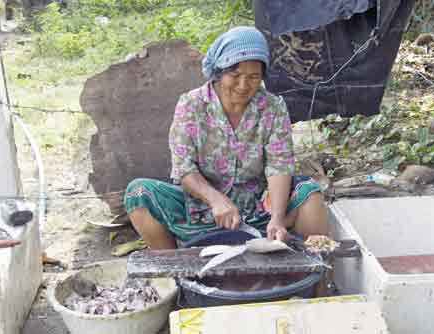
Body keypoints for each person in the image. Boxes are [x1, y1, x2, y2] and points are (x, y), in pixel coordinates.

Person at [124, 26, 328, 250]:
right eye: (235, 75)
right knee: (138, 193)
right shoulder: (192, 105)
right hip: (201, 210)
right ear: (219, 71)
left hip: (258, 209)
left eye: (253, 77)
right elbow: (183, 169)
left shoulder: (272, 107)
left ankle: (318, 280)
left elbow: (279, 165)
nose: (243, 85)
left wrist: (278, 217)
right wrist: (215, 199)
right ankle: (173, 272)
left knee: (311, 194)